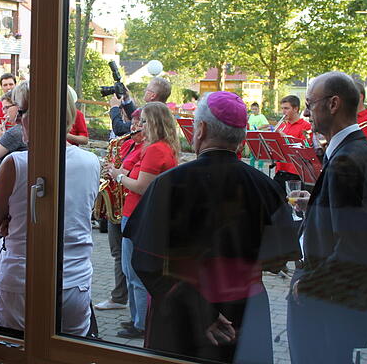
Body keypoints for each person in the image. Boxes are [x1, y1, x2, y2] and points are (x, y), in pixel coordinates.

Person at [124, 91, 299, 362]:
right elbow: (278, 260)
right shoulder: (266, 186)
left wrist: (203, 311)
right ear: (242, 137)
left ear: (201, 129)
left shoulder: (169, 184)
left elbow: (147, 262)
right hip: (245, 312)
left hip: (183, 313)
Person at [287, 72, 367, 363]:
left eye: (310, 103)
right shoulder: (364, 152)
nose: (306, 112)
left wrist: (306, 286)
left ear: (333, 104)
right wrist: (316, 207)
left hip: (324, 300)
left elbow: (355, 244)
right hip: (340, 299)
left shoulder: (346, 160)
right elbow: (358, 221)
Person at [0, 81, 100, 335]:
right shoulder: (92, 162)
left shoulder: (16, 163)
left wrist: (13, 222)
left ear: (38, 115)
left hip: (21, 281)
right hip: (75, 280)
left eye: (23, 112)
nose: (18, 120)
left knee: (18, 350)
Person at [107, 102, 179, 339]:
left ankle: (140, 324)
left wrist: (118, 175)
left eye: (145, 122)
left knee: (135, 272)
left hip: (138, 214)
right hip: (136, 213)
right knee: (130, 271)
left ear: (155, 122)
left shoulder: (156, 149)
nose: (141, 126)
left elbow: (142, 186)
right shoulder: (159, 147)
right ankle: (135, 318)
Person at [94, 109, 144, 312]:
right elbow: (115, 167)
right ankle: (119, 296)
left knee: (128, 259)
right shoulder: (125, 144)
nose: (133, 127)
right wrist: (108, 170)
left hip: (131, 207)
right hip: (117, 204)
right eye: (131, 123)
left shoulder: (147, 149)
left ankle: (126, 302)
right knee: (117, 254)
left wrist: (118, 174)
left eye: (138, 123)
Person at [273, 95, 312, 189]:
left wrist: (285, 137)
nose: (283, 112)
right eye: (282, 108)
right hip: (280, 169)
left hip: (295, 172)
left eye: (286, 108)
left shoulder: (306, 126)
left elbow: (304, 147)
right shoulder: (282, 125)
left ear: (295, 109)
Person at [0, 92, 27, 162]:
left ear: (17, 106)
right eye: (3, 109)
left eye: (6, 108)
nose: (3, 112)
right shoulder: (27, 127)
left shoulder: (14, 133)